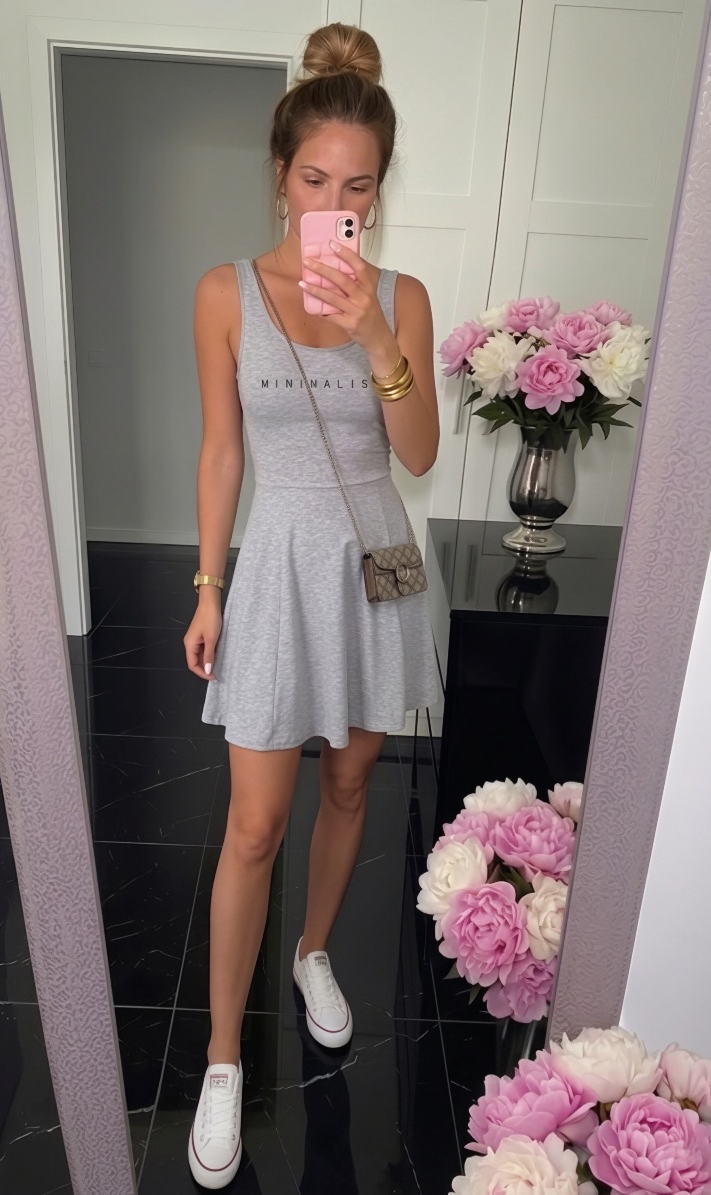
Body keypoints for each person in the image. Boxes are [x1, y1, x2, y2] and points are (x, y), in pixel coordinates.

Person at [182, 21, 443, 1189]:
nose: (334, 204)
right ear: (280, 176)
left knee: (348, 782)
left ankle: (312, 949)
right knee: (253, 824)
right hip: (279, 560)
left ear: (377, 193)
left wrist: (375, 331)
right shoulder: (223, 292)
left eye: (359, 186)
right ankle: (222, 1056)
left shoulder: (401, 297)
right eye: (314, 180)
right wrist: (207, 585)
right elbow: (221, 452)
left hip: (375, 559)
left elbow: (418, 454)